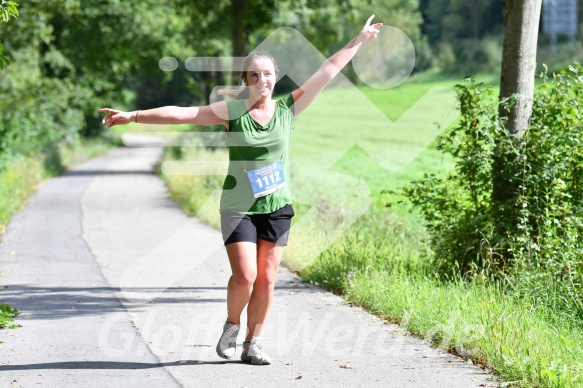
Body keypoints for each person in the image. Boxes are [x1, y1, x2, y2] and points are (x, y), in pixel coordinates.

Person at [99, 15, 382, 366]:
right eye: (254, 74)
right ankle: (232, 326)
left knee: (266, 279)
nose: (262, 80)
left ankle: (254, 342)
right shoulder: (232, 112)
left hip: (277, 206)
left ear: (275, 78)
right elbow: (183, 114)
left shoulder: (288, 108)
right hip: (239, 206)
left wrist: (359, 39)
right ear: (245, 80)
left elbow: (328, 70)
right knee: (245, 275)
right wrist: (134, 115)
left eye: (267, 74)